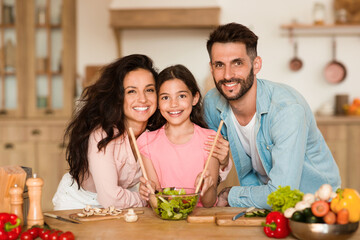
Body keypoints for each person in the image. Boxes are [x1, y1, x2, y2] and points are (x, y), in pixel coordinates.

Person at [204, 22, 341, 209]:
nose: (228, 75)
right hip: (263, 202)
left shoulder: (287, 110)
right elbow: (211, 162)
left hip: (315, 204)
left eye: (237, 63)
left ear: (256, 64)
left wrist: (231, 194)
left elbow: (282, 194)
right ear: (211, 68)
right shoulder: (212, 103)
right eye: (220, 65)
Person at [52, 54, 159, 210]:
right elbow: (110, 198)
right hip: (78, 204)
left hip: (123, 204)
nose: (142, 99)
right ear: (117, 96)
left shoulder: (154, 133)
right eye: (131, 91)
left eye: (149, 90)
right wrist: (147, 199)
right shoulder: (103, 133)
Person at [137, 65, 230, 207]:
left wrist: (209, 186)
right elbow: (156, 202)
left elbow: (209, 203)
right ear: (157, 102)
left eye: (181, 96)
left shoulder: (211, 139)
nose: (174, 104)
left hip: (199, 223)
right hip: (162, 224)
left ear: (195, 98)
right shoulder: (146, 142)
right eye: (165, 97)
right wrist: (149, 192)